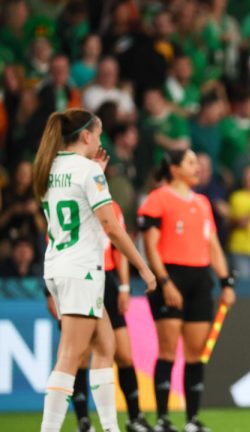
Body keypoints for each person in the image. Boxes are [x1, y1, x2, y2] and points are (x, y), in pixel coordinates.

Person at [32, 108, 156, 432]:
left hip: (59, 266)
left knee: (105, 346)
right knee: (70, 356)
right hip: (82, 269)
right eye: (99, 134)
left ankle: (111, 428)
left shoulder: (49, 167)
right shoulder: (88, 172)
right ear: (86, 136)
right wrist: (143, 267)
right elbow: (111, 227)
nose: (101, 140)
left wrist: (94, 171)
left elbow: (74, 204)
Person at [137, 149, 236, 432]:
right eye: (191, 163)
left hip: (200, 279)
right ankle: (162, 419)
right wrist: (165, 282)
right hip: (171, 276)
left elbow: (213, 246)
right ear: (175, 168)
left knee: (195, 354)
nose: (198, 168)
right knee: (167, 351)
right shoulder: (158, 199)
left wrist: (226, 281)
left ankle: (192, 420)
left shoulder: (203, 203)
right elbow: (150, 247)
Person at [101, 201, 152, 431]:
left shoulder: (111, 206)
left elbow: (118, 247)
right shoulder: (69, 198)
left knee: (124, 354)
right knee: (78, 356)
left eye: (103, 160)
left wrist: (123, 286)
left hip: (106, 281)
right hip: (77, 278)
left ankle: (135, 417)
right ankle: (85, 421)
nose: (101, 162)